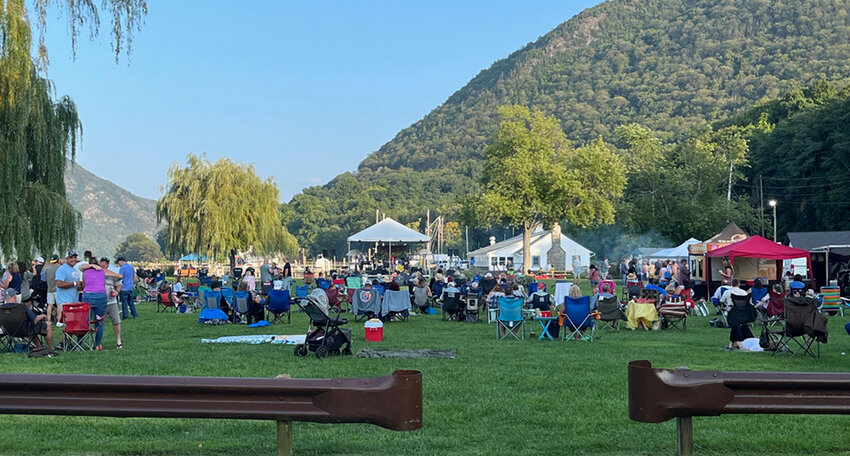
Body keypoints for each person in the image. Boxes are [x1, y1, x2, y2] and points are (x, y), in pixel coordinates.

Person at [80, 256, 122, 351]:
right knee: (99, 322)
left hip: (88, 296)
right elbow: (120, 276)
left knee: (86, 321)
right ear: (98, 264)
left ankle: (79, 344)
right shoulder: (102, 271)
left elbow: (83, 285)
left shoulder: (85, 272)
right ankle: (98, 344)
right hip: (101, 296)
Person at [721, 278, 752, 350]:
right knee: (736, 326)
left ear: (731, 284)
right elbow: (749, 303)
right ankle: (731, 344)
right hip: (743, 315)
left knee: (735, 326)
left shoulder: (727, 292)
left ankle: (739, 344)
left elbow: (722, 301)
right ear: (739, 284)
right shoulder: (744, 292)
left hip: (732, 314)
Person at [55, 251, 82, 328]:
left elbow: (77, 285)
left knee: (72, 324)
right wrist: (74, 283)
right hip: (65, 301)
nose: (73, 259)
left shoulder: (75, 269)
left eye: (75, 257)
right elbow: (59, 284)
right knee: (69, 324)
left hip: (74, 300)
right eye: (71, 257)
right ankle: (65, 340)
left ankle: (64, 340)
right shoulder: (62, 269)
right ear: (66, 259)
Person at [101, 258, 124, 349]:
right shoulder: (96, 273)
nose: (102, 266)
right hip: (101, 302)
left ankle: (118, 340)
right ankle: (98, 341)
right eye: (101, 264)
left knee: (116, 321)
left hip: (111, 301)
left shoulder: (112, 274)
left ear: (107, 265)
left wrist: (117, 292)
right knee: (99, 322)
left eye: (104, 264)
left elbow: (119, 283)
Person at [42, 255, 62, 325]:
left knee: (49, 305)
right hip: (58, 290)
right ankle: (59, 320)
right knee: (59, 305)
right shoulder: (59, 267)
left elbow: (43, 279)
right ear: (57, 260)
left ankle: (48, 320)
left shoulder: (47, 268)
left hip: (49, 289)